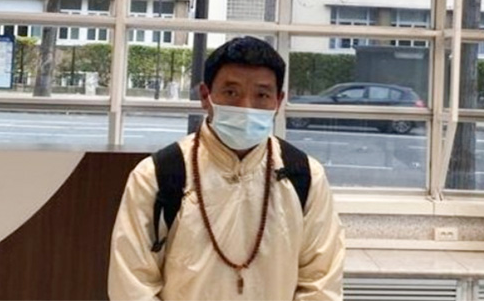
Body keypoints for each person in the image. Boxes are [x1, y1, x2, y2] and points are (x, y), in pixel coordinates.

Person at [108, 36, 345, 301]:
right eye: (231, 92)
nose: (246, 107)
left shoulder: (305, 176)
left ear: (278, 101)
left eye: (262, 95)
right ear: (205, 96)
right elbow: (132, 286)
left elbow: (320, 283)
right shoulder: (157, 175)